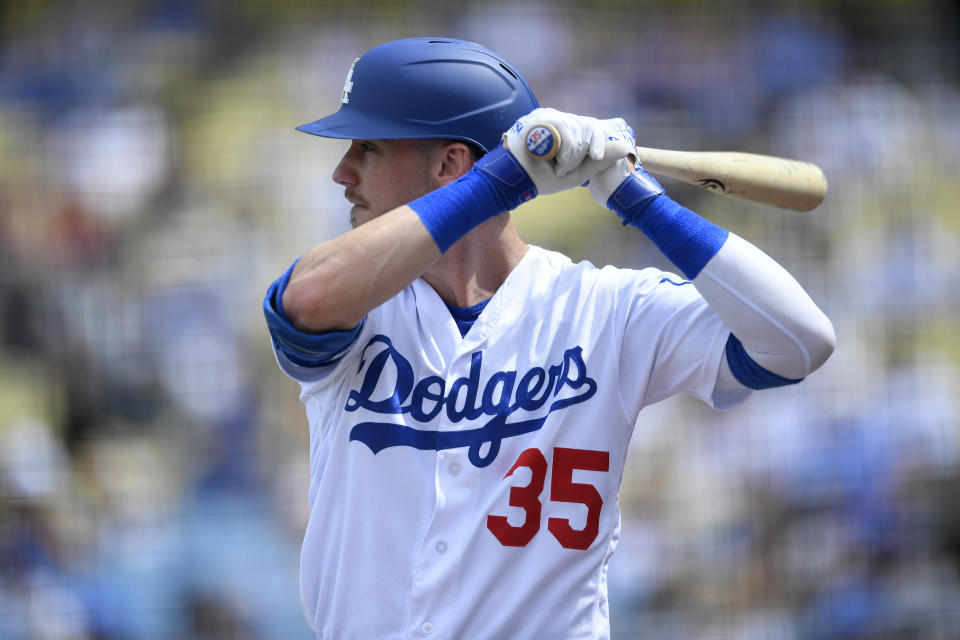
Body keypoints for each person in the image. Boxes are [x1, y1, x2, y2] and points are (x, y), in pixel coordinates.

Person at [263, 37, 835, 640]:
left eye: (368, 147)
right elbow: (306, 299)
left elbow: (799, 342)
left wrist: (633, 196)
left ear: (450, 164)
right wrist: (497, 182)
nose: (341, 171)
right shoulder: (363, 302)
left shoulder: (606, 309)